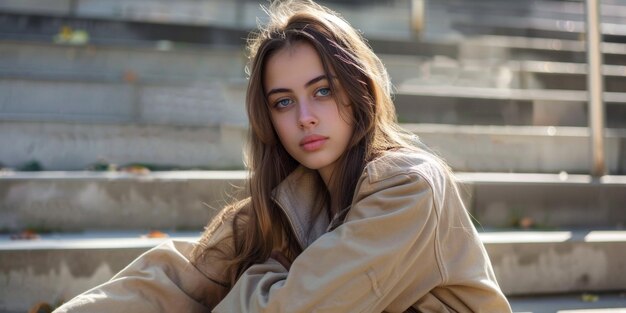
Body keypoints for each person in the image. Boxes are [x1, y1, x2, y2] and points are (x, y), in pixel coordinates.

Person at [54, 0, 512, 312]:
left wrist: (260, 275)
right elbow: (178, 281)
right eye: (284, 102)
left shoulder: (409, 184)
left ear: (359, 90)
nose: (306, 118)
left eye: (323, 91)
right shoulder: (286, 205)